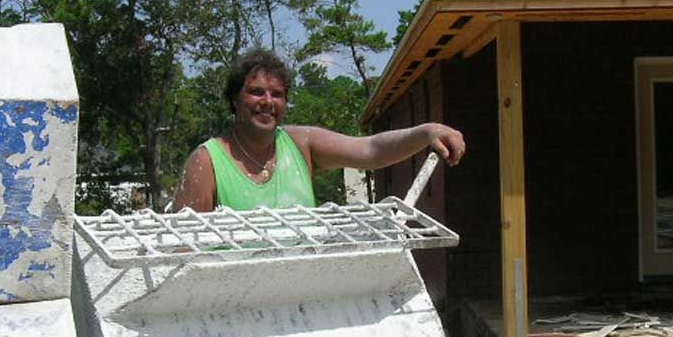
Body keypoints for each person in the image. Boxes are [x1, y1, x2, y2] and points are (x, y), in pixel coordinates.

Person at [172, 48, 466, 212]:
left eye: (277, 94)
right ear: (235, 98)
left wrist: (426, 132)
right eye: (256, 92)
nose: (267, 102)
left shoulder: (302, 144)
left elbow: (371, 150)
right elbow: (183, 250)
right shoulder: (207, 161)